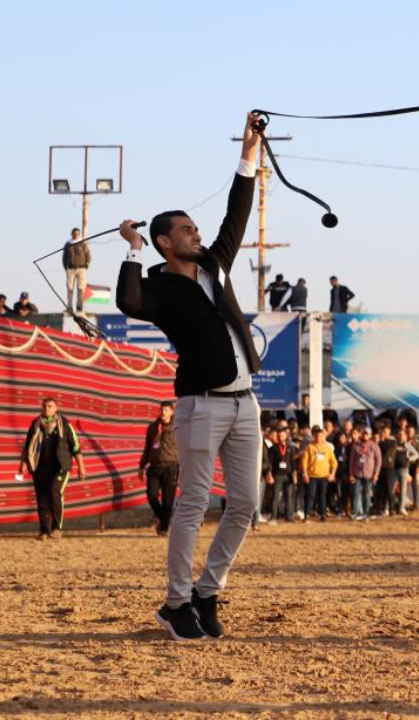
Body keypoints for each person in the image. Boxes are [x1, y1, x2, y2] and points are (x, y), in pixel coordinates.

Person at [116, 112, 263, 641]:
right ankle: (177, 603)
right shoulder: (158, 287)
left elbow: (237, 212)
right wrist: (131, 250)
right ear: (162, 243)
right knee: (195, 503)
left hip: (245, 403)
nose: (197, 233)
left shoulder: (215, 265)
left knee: (246, 503)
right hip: (201, 404)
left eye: (195, 228)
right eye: (186, 229)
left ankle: (207, 591)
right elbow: (128, 300)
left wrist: (249, 153)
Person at [17, 398, 85, 540]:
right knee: (41, 498)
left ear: (56, 408)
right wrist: (22, 463)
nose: (46, 409)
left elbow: (76, 447)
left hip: (61, 467)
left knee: (55, 492)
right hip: (40, 467)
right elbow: (27, 445)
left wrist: (81, 466)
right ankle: (44, 531)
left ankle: (56, 528)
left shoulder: (65, 424)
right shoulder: (36, 424)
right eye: (44, 406)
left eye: (50, 406)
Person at [139, 401, 180, 536]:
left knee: (168, 502)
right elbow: (147, 448)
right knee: (151, 496)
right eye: (161, 410)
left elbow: (183, 448)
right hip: (154, 468)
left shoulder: (178, 427)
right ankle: (164, 521)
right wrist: (141, 466)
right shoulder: (153, 427)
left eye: (166, 410)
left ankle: (163, 529)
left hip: (171, 467)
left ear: (172, 412)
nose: (163, 412)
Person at [300, 426, 337, 522]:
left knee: (322, 496)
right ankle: (307, 515)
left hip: (324, 476)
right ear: (314, 436)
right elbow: (304, 462)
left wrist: (332, 474)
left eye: (321, 436)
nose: (319, 438)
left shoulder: (328, 448)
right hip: (312, 476)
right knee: (310, 495)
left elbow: (334, 462)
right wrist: (305, 474)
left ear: (324, 437)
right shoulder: (309, 447)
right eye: (317, 436)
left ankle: (322, 514)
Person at [348, 425, 381, 520]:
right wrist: (350, 474)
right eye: (363, 433)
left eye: (367, 433)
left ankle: (366, 513)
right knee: (356, 494)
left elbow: (379, 461)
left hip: (369, 474)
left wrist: (376, 474)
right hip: (357, 474)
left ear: (370, 435)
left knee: (366, 495)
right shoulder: (355, 445)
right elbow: (351, 461)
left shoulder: (374, 446)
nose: (365, 435)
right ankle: (355, 513)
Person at [268, 427, 297, 524]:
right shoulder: (273, 448)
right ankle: (273, 517)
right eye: (279, 435)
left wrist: (295, 474)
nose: (281, 437)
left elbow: (293, 462)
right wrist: (269, 474)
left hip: (288, 475)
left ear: (286, 436)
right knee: (275, 496)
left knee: (288, 496)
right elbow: (270, 463)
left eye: (283, 435)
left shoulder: (290, 448)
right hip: (277, 475)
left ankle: (289, 516)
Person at [62, 227, 91, 315]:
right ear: (72, 234)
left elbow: (88, 255)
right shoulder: (68, 244)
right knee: (70, 288)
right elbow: (64, 257)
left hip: (81, 268)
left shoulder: (83, 243)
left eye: (77, 234)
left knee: (80, 288)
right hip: (70, 268)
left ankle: (79, 306)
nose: (76, 235)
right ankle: (69, 307)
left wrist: (87, 265)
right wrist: (66, 267)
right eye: (74, 233)